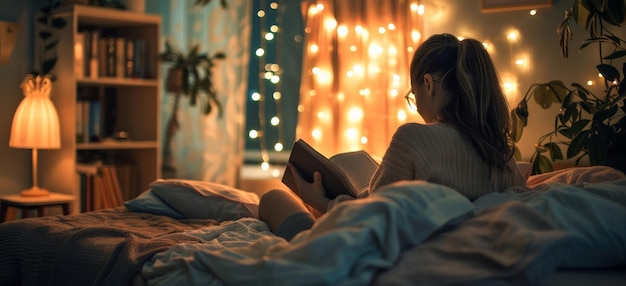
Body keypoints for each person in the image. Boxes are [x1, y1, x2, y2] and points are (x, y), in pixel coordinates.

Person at [259, 33, 527, 240]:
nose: (417, 104)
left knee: (271, 198)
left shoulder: (415, 138)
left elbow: (370, 218)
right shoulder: (505, 154)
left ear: (429, 84)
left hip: (379, 245)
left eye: (414, 94)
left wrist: (322, 202)